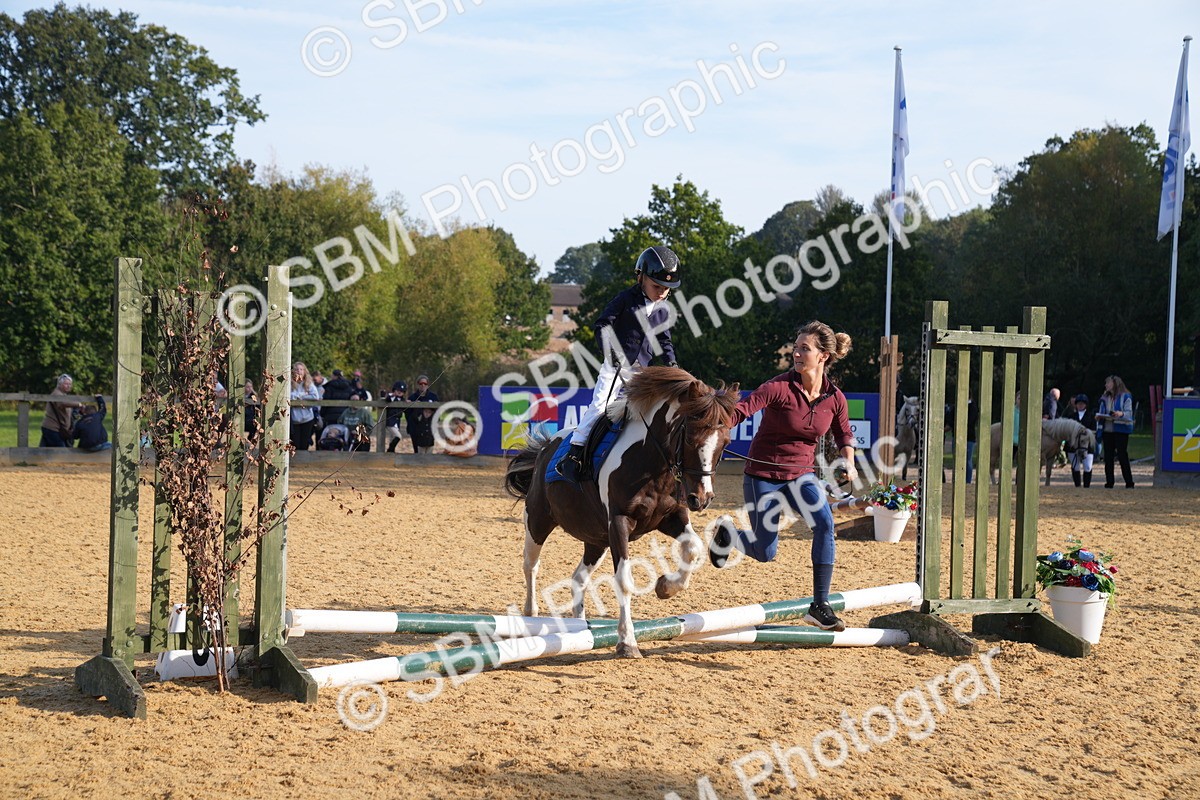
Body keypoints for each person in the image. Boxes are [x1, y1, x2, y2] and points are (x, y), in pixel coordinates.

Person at [709, 321, 858, 632]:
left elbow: (844, 435)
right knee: (766, 552)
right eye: (796, 346)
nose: (797, 352)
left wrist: (849, 461)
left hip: (801, 476)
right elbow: (740, 412)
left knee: (825, 524)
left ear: (823, 357)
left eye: (805, 348)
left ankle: (820, 605)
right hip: (763, 474)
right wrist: (715, 429)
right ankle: (729, 534)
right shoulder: (777, 387)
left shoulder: (835, 398)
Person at [556, 245, 681, 481]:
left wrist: (671, 363)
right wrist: (610, 350)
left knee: (649, 414)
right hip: (615, 366)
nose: (662, 293)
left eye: (666, 289)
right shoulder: (625, 299)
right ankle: (573, 455)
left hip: (642, 372)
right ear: (641, 277)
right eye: (657, 287)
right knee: (600, 407)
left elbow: (665, 340)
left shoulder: (664, 309)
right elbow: (602, 325)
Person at [1097, 375, 1134, 488]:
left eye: (1108, 383)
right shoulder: (1105, 397)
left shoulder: (1126, 396)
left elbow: (1129, 413)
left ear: (1114, 384)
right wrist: (1099, 417)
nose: (1106, 385)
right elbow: (1102, 411)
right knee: (1108, 456)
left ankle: (1129, 482)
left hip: (1121, 430)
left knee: (1122, 455)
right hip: (1108, 430)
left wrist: (1120, 414)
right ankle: (1109, 482)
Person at [40, 374, 81, 447]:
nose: (69, 386)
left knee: (44, 452)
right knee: (61, 452)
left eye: (70, 384)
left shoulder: (63, 394)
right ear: (59, 384)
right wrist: (78, 404)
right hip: (53, 428)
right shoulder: (57, 393)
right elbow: (62, 403)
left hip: (52, 428)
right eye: (66, 384)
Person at [1065, 393, 1096, 487]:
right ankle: (1077, 485)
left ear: (1086, 405)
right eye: (1078, 403)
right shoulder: (1071, 416)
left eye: (1082, 403)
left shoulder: (1091, 416)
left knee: (1088, 466)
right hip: (1073, 444)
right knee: (1075, 466)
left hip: (1086, 444)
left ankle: (1087, 486)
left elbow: (1094, 430)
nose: (1080, 405)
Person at [289, 362, 321, 451]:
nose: (299, 371)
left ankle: (302, 464)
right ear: (293, 371)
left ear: (304, 371)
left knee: (304, 445)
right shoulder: (289, 383)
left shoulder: (309, 383)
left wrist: (298, 396)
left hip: (307, 419)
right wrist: (303, 394)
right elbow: (288, 396)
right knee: (295, 444)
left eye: (301, 369)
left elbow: (315, 396)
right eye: (297, 369)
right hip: (294, 420)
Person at [406, 375, 438, 453]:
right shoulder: (412, 397)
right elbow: (407, 414)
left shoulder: (433, 397)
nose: (423, 385)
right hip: (415, 429)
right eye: (421, 383)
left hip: (429, 429)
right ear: (417, 385)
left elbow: (438, 412)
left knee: (429, 450)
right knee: (417, 451)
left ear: (428, 385)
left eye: (425, 383)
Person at [383, 380, 408, 453]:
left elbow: (404, 406)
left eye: (402, 391)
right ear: (394, 390)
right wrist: (392, 395)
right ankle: (390, 450)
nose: (400, 392)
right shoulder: (392, 397)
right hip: (390, 422)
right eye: (398, 390)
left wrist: (407, 402)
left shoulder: (402, 400)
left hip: (397, 422)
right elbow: (387, 399)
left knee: (392, 439)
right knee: (398, 436)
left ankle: (391, 452)